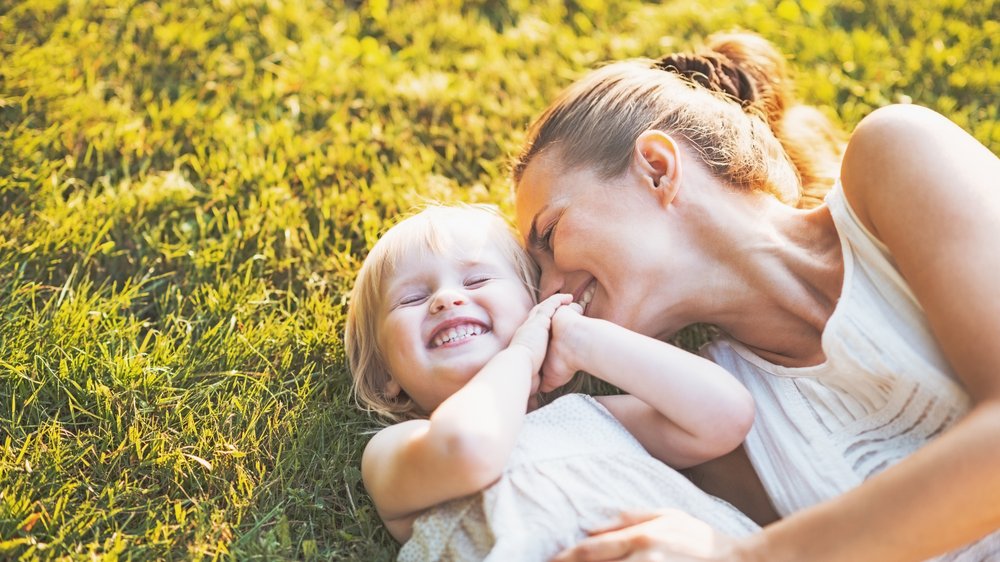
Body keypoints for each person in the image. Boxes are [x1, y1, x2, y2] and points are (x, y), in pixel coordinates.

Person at [512, 30, 1000, 561]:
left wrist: (754, 556)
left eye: (551, 235)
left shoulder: (898, 154)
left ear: (656, 168)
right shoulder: (714, 425)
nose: (547, 287)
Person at [343, 204, 761, 561]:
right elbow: (469, 449)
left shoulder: (589, 417)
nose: (446, 299)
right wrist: (520, 356)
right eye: (412, 298)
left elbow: (726, 415)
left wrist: (582, 340)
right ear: (387, 378)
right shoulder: (399, 447)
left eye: (476, 281)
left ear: (533, 307)